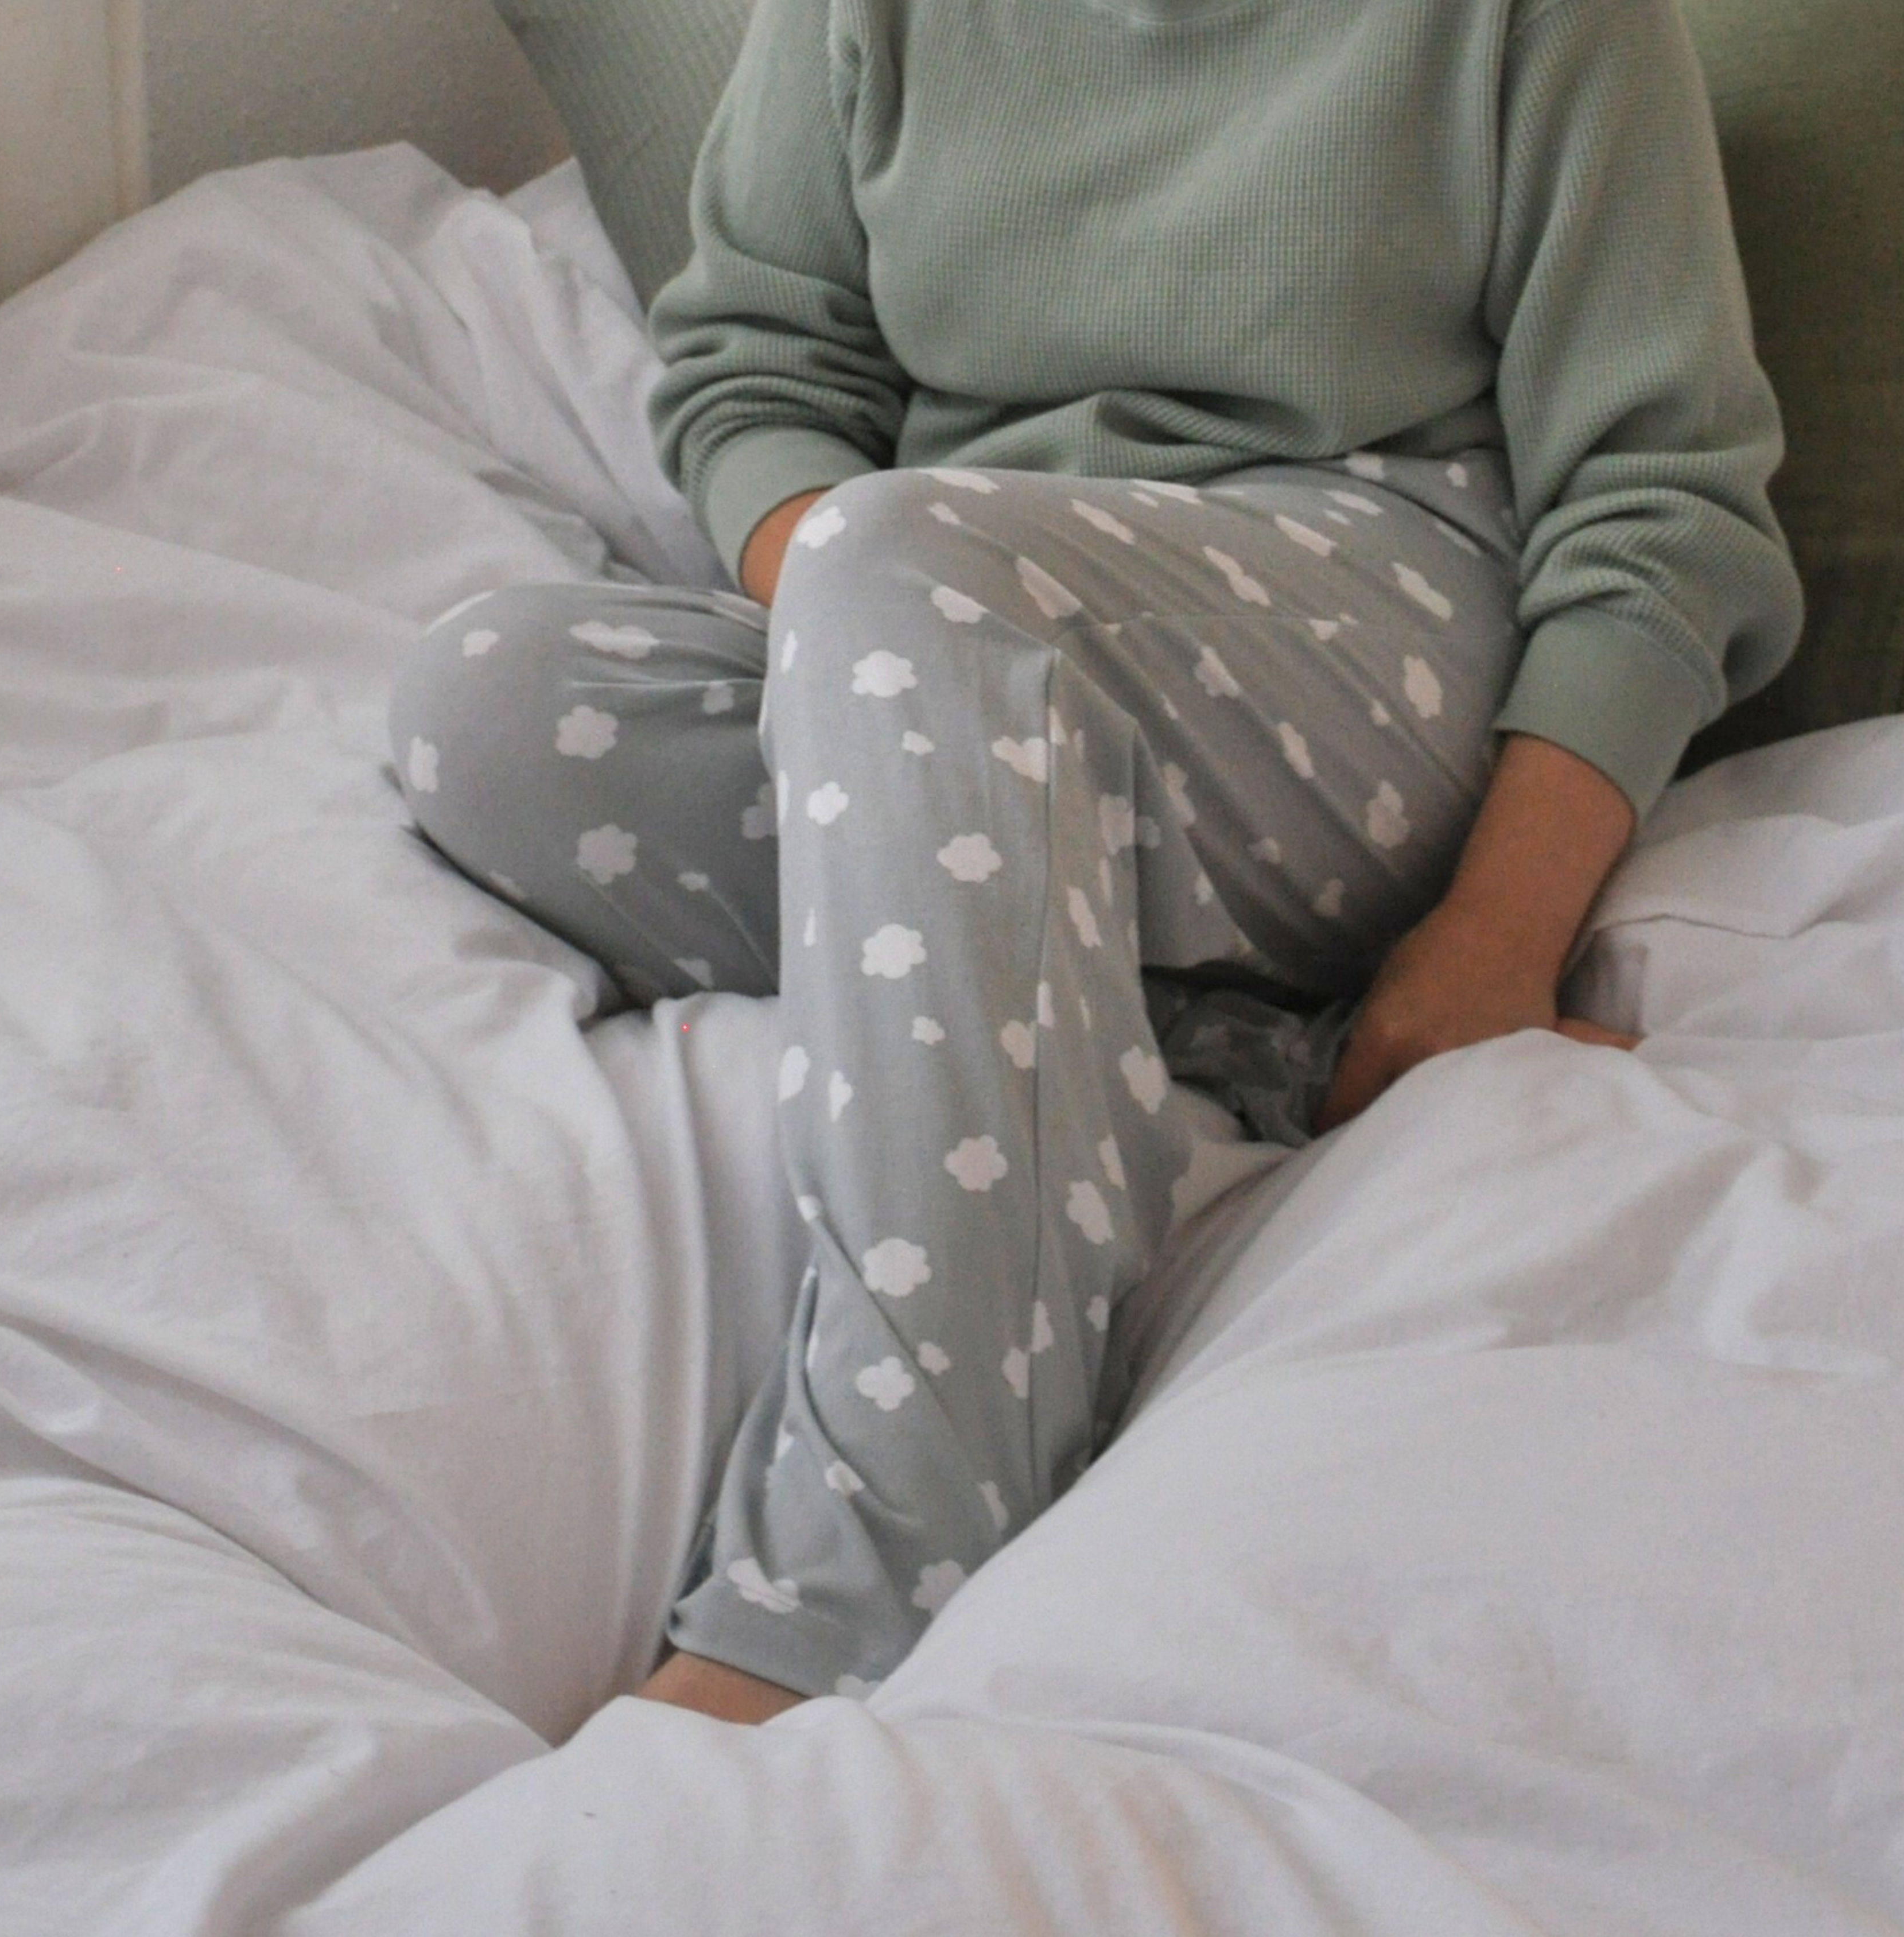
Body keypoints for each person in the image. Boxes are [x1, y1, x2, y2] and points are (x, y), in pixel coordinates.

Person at [389, 0, 1802, 1723]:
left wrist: (1495, 935)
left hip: (1357, 638)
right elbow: (759, 374)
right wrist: (857, 627)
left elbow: (1661, 504)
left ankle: (880, 1532)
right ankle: (1228, 1037)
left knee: (910, 560)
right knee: (495, 706)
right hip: (947, 640)